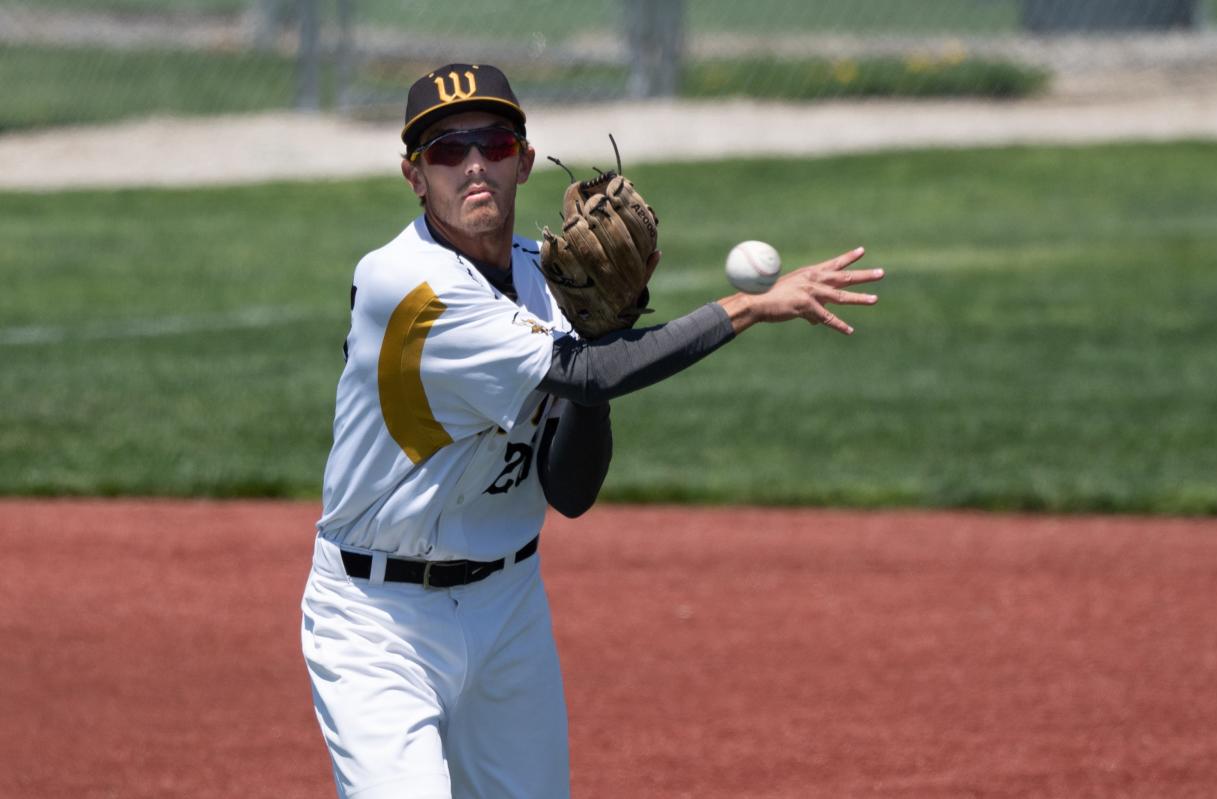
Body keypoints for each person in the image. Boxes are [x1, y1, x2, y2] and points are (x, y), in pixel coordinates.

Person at [300, 63, 884, 799]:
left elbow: (570, 488)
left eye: (494, 142)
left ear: (526, 160)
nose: (474, 163)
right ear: (414, 176)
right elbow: (589, 373)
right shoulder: (408, 284)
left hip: (508, 604)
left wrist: (604, 327)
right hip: (378, 621)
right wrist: (746, 308)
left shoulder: (547, 277)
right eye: (447, 150)